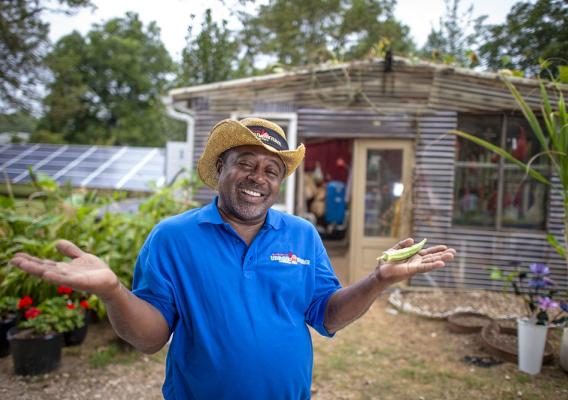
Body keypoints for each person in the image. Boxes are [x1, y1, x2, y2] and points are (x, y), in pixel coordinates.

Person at [11, 118, 456, 400]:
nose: (257, 178)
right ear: (220, 167)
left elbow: (328, 315)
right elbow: (150, 339)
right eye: (246, 163)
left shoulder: (301, 235)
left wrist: (377, 280)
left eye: (271, 171)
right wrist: (112, 292)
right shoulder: (173, 238)